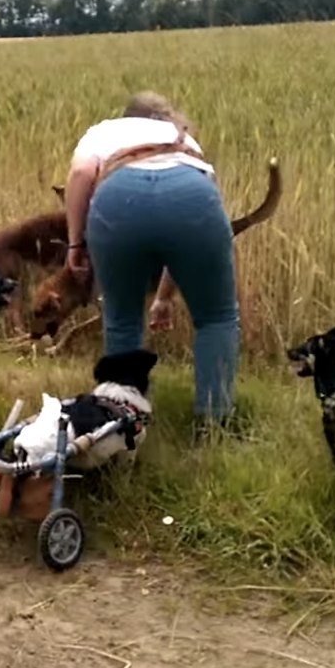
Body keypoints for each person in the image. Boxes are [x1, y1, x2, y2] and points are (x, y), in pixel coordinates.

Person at [61, 91, 240, 432]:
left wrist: (75, 242)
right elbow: (185, 236)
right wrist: (166, 296)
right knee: (216, 317)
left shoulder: (105, 130)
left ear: (128, 115)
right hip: (192, 194)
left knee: (122, 319)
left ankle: (117, 422)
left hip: (118, 199)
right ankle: (214, 423)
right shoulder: (183, 139)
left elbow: (83, 172)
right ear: (163, 118)